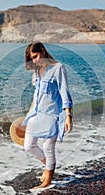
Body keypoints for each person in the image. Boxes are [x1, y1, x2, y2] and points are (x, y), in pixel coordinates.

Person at [22, 42, 73, 189]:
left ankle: (47, 181)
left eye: (36, 56)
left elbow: (64, 92)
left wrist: (68, 115)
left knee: (48, 146)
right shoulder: (36, 71)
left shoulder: (58, 68)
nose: (35, 60)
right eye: (32, 58)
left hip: (53, 115)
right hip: (37, 114)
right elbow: (36, 96)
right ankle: (48, 166)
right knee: (29, 146)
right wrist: (28, 115)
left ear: (43, 51)